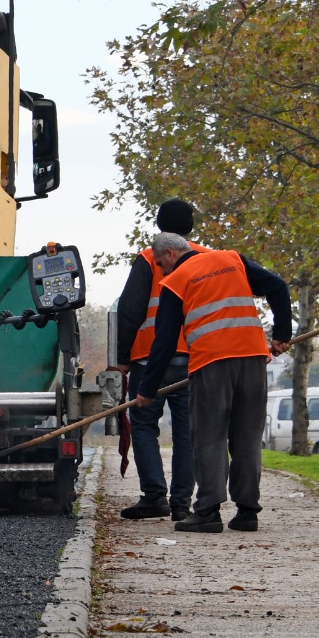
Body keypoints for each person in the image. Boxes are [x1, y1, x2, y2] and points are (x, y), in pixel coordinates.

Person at [134, 233, 293, 534]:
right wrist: (282, 334)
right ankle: (247, 512)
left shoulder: (175, 280)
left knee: (210, 436)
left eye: (160, 264)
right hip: (253, 359)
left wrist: (146, 389)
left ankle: (207, 511)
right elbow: (278, 286)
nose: (161, 271)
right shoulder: (231, 259)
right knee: (247, 437)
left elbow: (165, 341)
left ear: (169, 254)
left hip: (212, 363)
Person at [114, 198, 202, 521]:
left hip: (148, 360)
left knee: (144, 425)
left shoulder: (151, 257)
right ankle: (182, 503)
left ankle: (154, 496)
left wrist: (121, 358)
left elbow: (130, 310)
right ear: (191, 227)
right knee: (186, 431)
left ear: (160, 225)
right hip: (194, 359)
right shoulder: (205, 257)